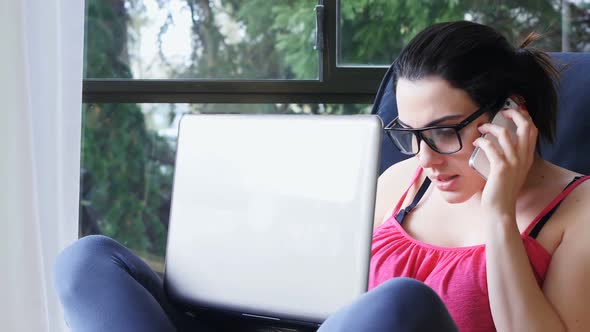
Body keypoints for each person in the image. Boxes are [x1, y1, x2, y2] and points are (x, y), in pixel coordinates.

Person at [53, 21, 590, 331]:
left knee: (400, 302)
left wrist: (498, 216)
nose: (424, 159)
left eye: (445, 132)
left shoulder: (577, 211)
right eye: (411, 133)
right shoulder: (403, 182)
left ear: (509, 114)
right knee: (88, 261)